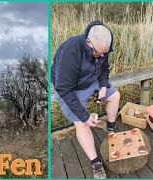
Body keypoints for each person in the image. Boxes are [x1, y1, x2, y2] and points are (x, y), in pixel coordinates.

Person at [51, 20, 120, 178]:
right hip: (69, 88)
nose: (102, 56)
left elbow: (104, 68)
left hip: (91, 79)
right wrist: (84, 116)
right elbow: (64, 89)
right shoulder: (70, 52)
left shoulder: (102, 46)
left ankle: (110, 127)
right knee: (82, 123)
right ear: (88, 42)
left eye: (105, 53)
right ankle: (95, 162)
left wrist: (103, 86)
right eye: (99, 53)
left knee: (115, 96)